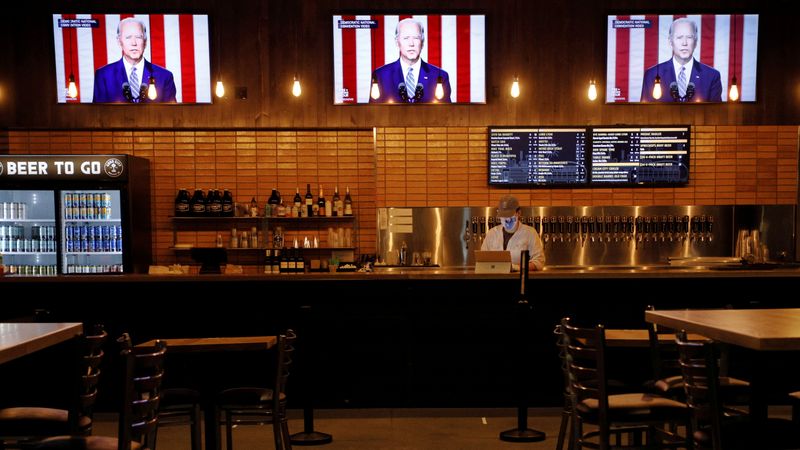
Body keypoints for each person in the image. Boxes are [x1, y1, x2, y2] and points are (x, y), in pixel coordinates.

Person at [93, 17, 177, 103]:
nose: (134, 43)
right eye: (128, 37)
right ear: (119, 42)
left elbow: (171, 114)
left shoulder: (165, 77)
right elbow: (99, 114)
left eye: (138, 37)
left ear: (145, 42)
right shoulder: (103, 76)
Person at [369, 18, 452, 103]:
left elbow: (446, 114)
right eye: (406, 38)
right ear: (397, 43)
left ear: (422, 42)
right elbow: (373, 113)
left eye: (416, 38)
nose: (411, 43)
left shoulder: (440, 76)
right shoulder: (380, 75)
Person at [640, 17, 722, 103]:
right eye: (679, 37)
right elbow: (644, 113)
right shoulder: (652, 74)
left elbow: (715, 113)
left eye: (689, 37)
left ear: (696, 42)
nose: (684, 43)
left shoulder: (712, 76)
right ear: (670, 42)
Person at [480, 195, 545, 271]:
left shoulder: (530, 233)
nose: (506, 220)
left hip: (519, 280)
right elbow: (482, 260)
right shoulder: (492, 233)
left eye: (509, 216)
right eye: (503, 216)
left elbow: (539, 262)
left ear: (519, 213)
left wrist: (517, 268)